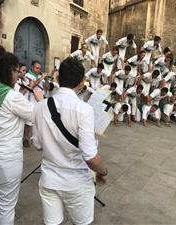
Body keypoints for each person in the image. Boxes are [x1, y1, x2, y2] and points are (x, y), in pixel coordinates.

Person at [32, 57, 107, 225]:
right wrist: (103, 171)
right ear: (82, 82)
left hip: (49, 179)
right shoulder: (84, 110)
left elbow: (37, 145)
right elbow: (90, 157)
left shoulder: (40, 106)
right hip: (76, 182)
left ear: (57, 78)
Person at [0, 46, 42, 225]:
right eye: (16, 71)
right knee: (5, 206)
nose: (19, 76)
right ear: (9, 70)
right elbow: (37, 116)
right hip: (6, 159)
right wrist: (40, 99)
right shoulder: (13, 97)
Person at [23, 60, 43, 147]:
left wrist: (45, 81)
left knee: (35, 121)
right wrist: (41, 79)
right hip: (29, 100)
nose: (38, 70)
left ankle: (34, 138)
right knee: (28, 122)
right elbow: (30, 87)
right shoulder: (27, 76)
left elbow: (45, 88)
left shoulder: (39, 76)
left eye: (39, 68)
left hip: (38, 101)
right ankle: (26, 138)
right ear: (32, 67)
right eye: (37, 68)